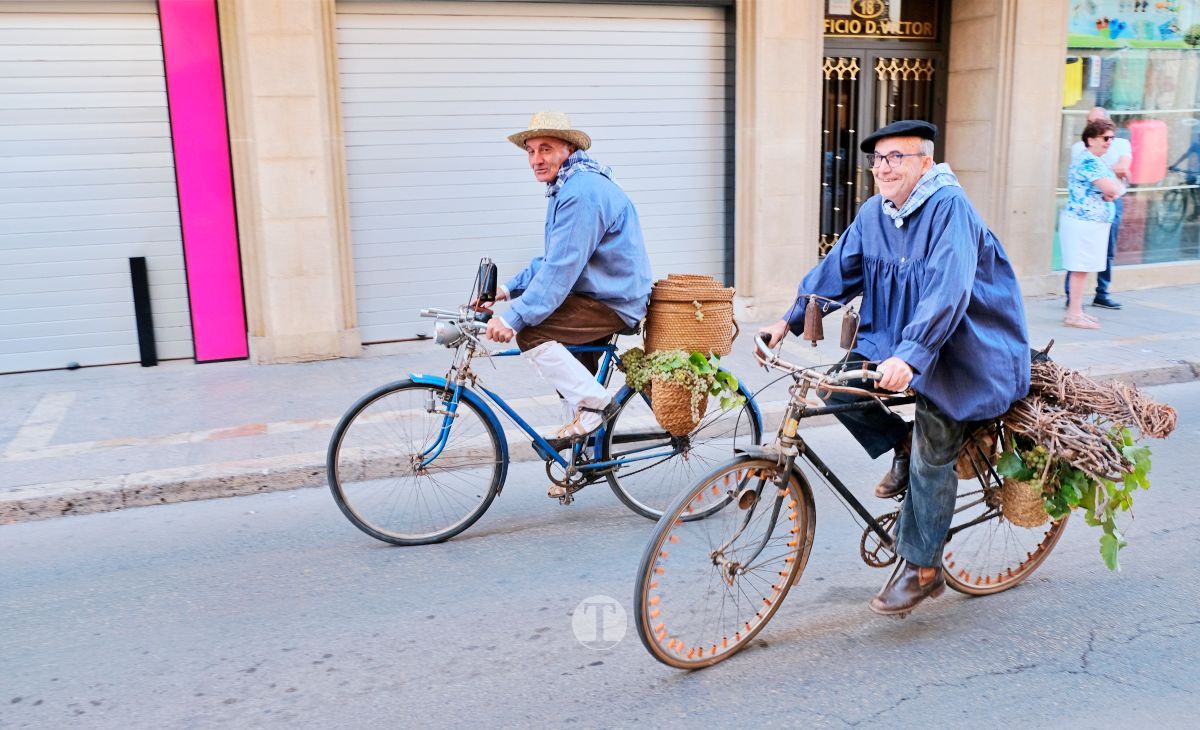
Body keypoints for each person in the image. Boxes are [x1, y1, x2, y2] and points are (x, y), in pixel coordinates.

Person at [757, 120, 1031, 617]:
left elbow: (948, 292)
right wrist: (787, 320)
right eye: (878, 159)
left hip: (960, 350)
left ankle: (922, 568)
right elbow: (837, 271)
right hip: (895, 341)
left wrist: (912, 355)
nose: (883, 167)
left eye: (896, 157)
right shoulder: (874, 213)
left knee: (935, 447)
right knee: (836, 388)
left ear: (925, 163)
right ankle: (899, 444)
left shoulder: (950, 208)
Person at [477, 112, 652, 495]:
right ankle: (582, 460)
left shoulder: (580, 192)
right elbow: (554, 258)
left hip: (612, 300)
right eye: (531, 150)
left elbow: (560, 270)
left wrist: (515, 319)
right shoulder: (570, 184)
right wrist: (507, 290)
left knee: (535, 333)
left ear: (568, 148)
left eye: (546, 149)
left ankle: (595, 406)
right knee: (569, 371)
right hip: (597, 294)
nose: (536, 159)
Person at [1061, 119, 1125, 330]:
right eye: (1105, 138)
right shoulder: (1088, 161)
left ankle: (1078, 311)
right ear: (1091, 139)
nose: (1109, 142)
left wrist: (1113, 190)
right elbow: (1113, 189)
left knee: (1084, 268)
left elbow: (1114, 190)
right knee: (1080, 268)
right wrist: (1113, 189)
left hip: (1091, 224)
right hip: (1083, 223)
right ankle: (1073, 314)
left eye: (1112, 139)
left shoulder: (1097, 161)